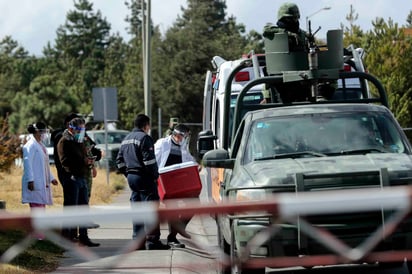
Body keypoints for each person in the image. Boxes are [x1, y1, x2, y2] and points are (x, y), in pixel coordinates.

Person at [116, 114, 170, 250]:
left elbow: (119, 162)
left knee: (137, 208)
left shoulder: (126, 139)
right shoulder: (144, 138)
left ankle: (138, 241)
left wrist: (127, 174)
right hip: (144, 177)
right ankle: (152, 241)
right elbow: (149, 161)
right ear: (146, 125)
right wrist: (155, 176)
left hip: (132, 178)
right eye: (149, 125)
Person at [57, 117, 100, 247]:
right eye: (80, 129)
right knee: (71, 209)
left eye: (83, 129)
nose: (82, 132)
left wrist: (89, 161)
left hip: (82, 178)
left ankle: (84, 237)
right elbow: (65, 162)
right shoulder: (64, 141)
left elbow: (84, 155)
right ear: (71, 128)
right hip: (72, 178)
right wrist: (83, 161)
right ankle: (67, 238)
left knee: (83, 209)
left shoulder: (79, 141)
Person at [154, 123, 198, 248]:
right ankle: (172, 238)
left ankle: (179, 229)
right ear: (177, 135)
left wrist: (195, 165)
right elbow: (154, 161)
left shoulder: (183, 146)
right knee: (172, 209)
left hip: (180, 182)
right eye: (184, 136)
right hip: (165, 182)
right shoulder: (162, 143)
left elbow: (188, 158)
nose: (183, 139)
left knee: (194, 203)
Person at [22, 122, 59, 219]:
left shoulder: (41, 146)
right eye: (44, 131)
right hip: (34, 182)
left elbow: (44, 165)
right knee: (36, 208)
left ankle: (40, 232)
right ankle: (38, 233)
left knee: (41, 207)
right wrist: (30, 180)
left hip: (43, 181)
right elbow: (27, 164)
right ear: (37, 132)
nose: (45, 134)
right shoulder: (30, 145)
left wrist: (51, 178)